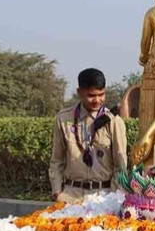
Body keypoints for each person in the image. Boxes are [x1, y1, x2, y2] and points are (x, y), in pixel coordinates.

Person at [49, 68, 129, 202]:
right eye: (91, 95)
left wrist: (115, 197)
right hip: (70, 196)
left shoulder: (114, 122)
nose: (97, 100)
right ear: (79, 92)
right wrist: (57, 192)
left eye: (101, 94)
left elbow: (120, 166)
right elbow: (57, 160)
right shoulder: (63, 119)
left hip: (104, 196)